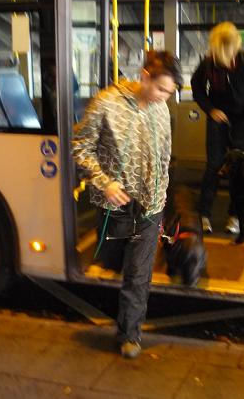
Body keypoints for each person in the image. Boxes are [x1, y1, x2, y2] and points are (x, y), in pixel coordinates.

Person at [72, 50, 182, 359]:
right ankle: (124, 313)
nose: (164, 98)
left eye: (169, 93)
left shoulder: (160, 108)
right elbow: (80, 147)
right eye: (161, 89)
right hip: (116, 204)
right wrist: (104, 182)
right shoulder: (106, 103)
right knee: (113, 260)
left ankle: (129, 334)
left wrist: (162, 197)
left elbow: (164, 154)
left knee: (138, 273)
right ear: (145, 76)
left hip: (151, 206)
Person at [191, 21, 244, 235]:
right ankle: (204, 214)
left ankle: (234, 215)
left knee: (240, 170)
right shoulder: (209, 62)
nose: (225, 58)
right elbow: (197, 89)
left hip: (242, 122)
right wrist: (210, 109)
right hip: (217, 121)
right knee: (214, 166)